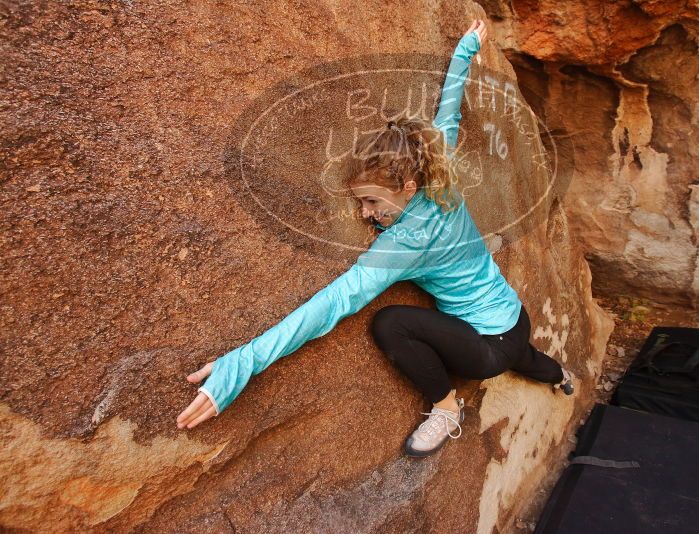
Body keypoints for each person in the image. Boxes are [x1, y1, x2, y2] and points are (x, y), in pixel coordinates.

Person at [177, 19, 574, 457]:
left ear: (406, 185)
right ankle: (560, 377)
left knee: (390, 324)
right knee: (529, 357)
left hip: (486, 350)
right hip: (515, 316)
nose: (365, 213)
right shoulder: (436, 169)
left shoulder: (404, 245)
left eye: (371, 201)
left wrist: (240, 365)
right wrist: (464, 52)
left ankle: (446, 407)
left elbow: (330, 304)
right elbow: (448, 111)